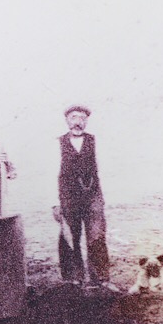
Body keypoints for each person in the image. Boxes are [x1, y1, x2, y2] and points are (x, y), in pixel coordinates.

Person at [53, 105, 118, 291]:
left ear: (86, 121)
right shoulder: (57, 143)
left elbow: (104, 169)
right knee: (69, 236)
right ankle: (72, 280)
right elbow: (51, 173)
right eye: (74, 117)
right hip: (68, 196)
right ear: (67, 120)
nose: (78, 122)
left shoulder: (95, 141)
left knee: (96, 235)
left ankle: (101, 279)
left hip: (92, 196)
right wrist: (54, 203)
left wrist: (101, 198)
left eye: (82, 118)